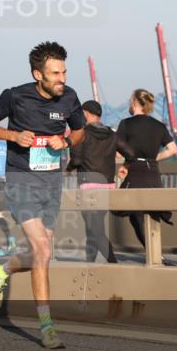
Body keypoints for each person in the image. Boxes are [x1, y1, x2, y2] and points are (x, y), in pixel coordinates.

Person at [0, 41, 86, 349]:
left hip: (52, 182)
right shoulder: (14, 95)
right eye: (55, 73)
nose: (61, 78)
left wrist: (64, 142)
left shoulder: (70, 97)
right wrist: (13, 135)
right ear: (37, 74)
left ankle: (0, 270)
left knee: (41, 253)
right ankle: (47, 326)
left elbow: (79, 132)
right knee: (42, 250)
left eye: (64, 71)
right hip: (21, 178)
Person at [115, 88, 177, 263]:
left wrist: (125, 164)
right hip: (152, 171)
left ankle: (155, 255)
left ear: (135, 102)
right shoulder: (159, 125)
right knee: (152, 213)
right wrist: (156, 157)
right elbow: (173, 149)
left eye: (130, 100)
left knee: (132, 213)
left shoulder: (126, 124)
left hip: (136, 171)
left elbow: (119, 150)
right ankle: (156, 253)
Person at [66, 100, 118, 263]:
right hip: (108, 185)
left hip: (89, 185)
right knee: (93, 227)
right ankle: (89, 265)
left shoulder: (82, 133)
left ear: (86, 114)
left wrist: (67, 170)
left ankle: (114, 263)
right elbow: (129, 151)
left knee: (95, 229)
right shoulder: (112, 134)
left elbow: (76, 159)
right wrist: (128, 165)